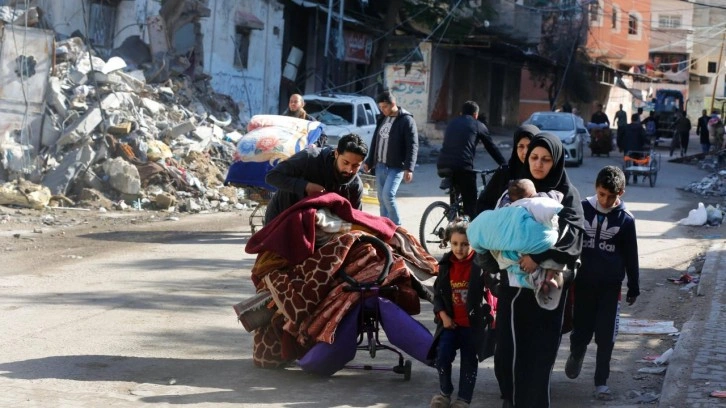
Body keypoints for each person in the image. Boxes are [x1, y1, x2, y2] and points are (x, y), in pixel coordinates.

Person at [469, 132, 584, 408]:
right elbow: (492, 226)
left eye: (546, 159)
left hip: (548, 293)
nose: (539, 164)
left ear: (556, 161)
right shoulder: (515, 190)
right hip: (512, 288)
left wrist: (538, 255)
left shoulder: (566, 194)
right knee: (508, 352)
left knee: (539, 358)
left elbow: (573, 238)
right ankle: (511, 399)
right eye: (534, 157)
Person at [565, 166, 639, 402]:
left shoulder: (626, 220)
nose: (605, 200)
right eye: (601, 194)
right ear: (596, 189)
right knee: (582, 329)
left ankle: (601, 382)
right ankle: (577, 352)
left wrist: (633, 286)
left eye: (611, 196)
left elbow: (631, 255)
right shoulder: (582, 209)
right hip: (583, 284)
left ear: (621, 193)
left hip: (610, 288)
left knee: (606, 336)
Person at [470, 179, 566, 310]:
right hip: (534, 248)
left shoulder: (505, 208)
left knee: (515, 265)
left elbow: (478, 230)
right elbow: (554, 209)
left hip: (511, 258)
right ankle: (547, 278)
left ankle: (538, 282)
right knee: (547, 261)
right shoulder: (535, 203)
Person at [427, 219, 493, 408]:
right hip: (450, 324)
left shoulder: (480, 264)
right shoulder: (446, 264)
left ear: (473, 244)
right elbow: (438, 294)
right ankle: (444, 392)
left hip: (472, 326)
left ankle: (463, 400)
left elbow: (490, 292)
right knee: (442, 356)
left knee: (469, 364)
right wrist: (443, 316)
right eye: (455, 244)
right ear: (449, 243)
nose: (459, 249)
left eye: (465, 244)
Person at [264, 134, 368, 224]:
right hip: (282, 217)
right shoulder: (309, 158)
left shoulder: (355, 186)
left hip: (318, 232)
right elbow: (272, 176)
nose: (349, 170)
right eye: (345, 163)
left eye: (355, 166)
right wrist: (306, 186)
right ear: (336, 153)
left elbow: (355, 219)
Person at [437, 101, 506, 220]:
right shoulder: (478, 125)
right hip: (463, 166)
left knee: (456, 193)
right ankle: (468, 229)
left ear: (461, 113)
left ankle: (453, 217)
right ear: (475, 115)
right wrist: (504, 164)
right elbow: (491, 147)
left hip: (442, 164)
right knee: (471, 203)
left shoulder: (452, 122)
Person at [363, 90, 418, 225]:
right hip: (380, 165)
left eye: (385, 107)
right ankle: (384, 227)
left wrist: (409, 168)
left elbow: (413, 145)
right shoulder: (382, 118)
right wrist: (369, 161)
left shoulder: (406, 120)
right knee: (381, 198)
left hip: (396, 166)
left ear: (393, 104)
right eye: (380, 107)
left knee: (388, 196)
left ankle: (397, 226)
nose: (382, 110)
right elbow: (376, 140)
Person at [476, 124, 540, 214]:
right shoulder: (505, 172)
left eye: (529, 146)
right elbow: (484, 203)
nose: (525, 152)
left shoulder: (542, 172)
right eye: (521, 146)